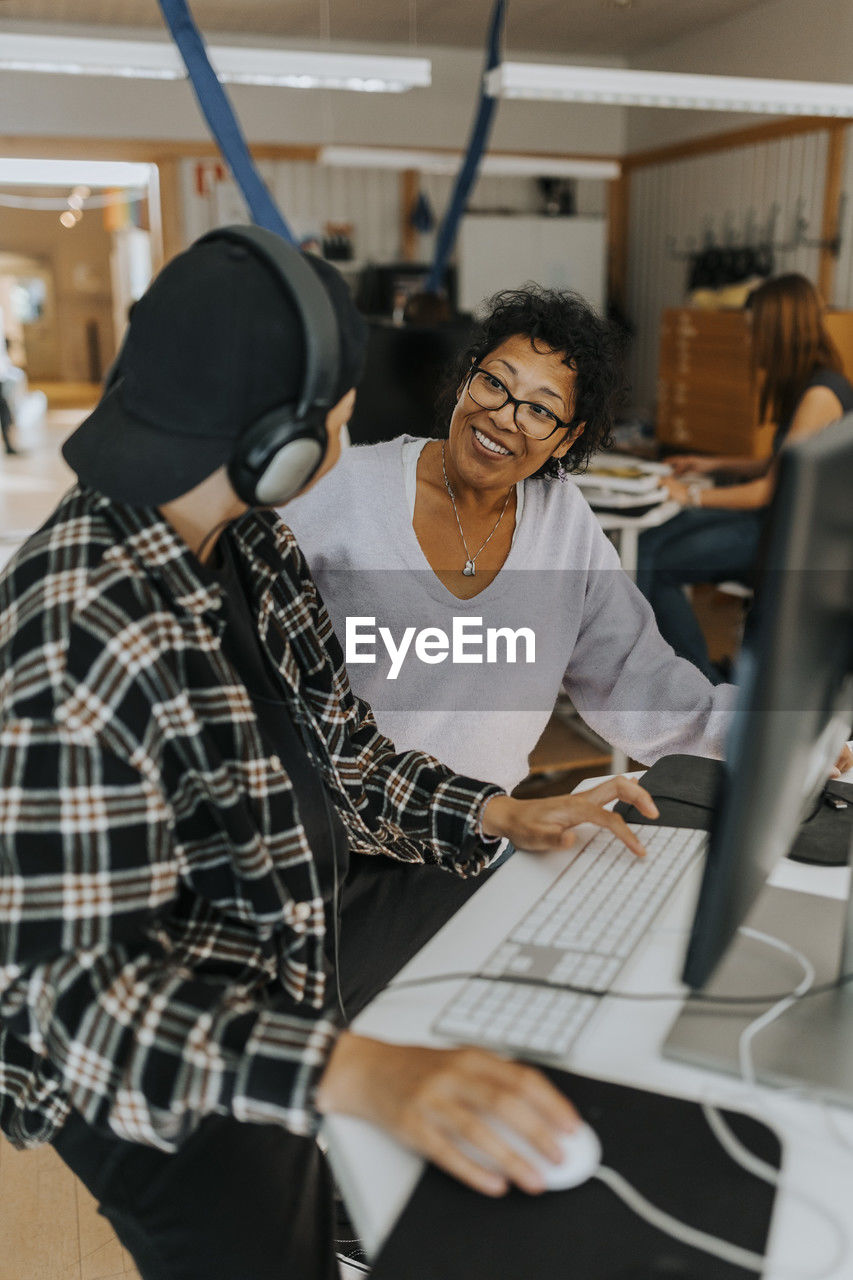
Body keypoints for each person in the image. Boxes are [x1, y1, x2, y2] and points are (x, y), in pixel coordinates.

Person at [0, 227, 660, 1280]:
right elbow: (82, 1002)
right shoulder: (79, 630)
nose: (350, 439)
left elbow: (342, 750)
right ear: (275, 438)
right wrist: (352, 1070)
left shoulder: (250, 543)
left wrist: (500, 814)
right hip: (155, 1072)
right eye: (338, 417)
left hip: (271, 967)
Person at [283, 286, 736, 796]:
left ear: (567, 438)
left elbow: (637, 680)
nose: (504, 415)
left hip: (483, 840)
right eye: (494, 383)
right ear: (466, 379)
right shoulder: (339, 491)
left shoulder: (561, 523)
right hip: (342, 837)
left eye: (541, 411)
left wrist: (758, 735)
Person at [636, 273, 853, 683]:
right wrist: (712, 466)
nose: (749, 343)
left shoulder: (820, 396)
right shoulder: (816, 384)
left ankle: (694, 689)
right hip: (772, 527)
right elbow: (778, 463)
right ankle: (664, 675)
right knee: (651, 538)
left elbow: (769, 491)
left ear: (778, 332)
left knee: (653, 558)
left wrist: (690, 496)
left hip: (786, 544)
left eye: (754, 332)